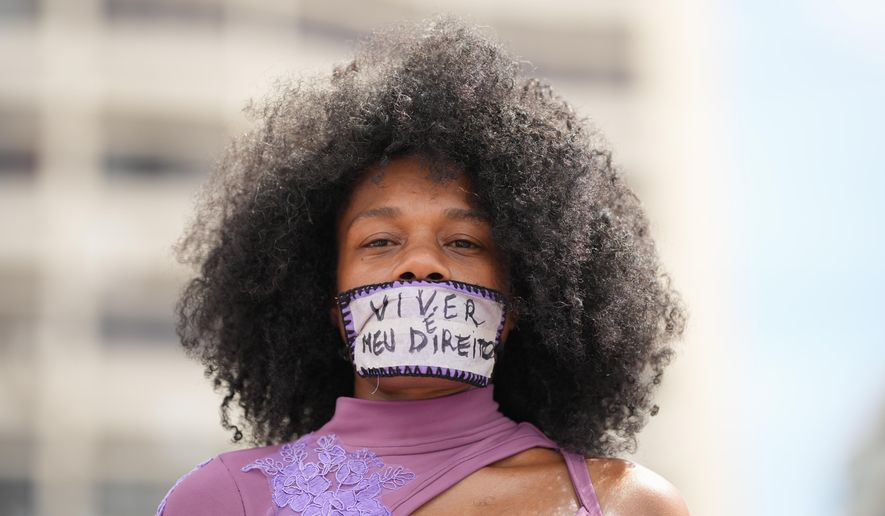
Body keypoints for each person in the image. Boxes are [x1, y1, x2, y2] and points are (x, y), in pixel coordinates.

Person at [159, 15, 689, 516]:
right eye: (380, 241)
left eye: (463, 242)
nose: (420, 264)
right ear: (326, 300)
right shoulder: (225, 498)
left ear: (518, 306)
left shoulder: (624, 502)